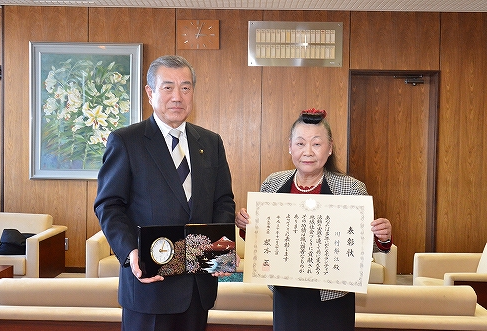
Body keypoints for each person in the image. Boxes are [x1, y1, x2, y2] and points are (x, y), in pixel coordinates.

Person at [94, 55, 235, 331]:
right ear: (150, 92)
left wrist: (222, 246)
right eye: (168, 87)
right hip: (149, 286)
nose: (177, 97)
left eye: (185, 87)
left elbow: (223, 200)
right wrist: (130, 251)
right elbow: (109, 206)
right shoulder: (126, 141)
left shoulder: (211, 142)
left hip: (197, 286)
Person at [235, 108, 392, 331]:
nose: (308, 151)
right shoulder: (272, 184)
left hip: (333, 299)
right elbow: (262, 236)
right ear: (290, 146)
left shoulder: (351, 188)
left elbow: (368, 247)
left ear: (329, 148)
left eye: (316, 144)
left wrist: (382, 236)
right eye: (300, 143)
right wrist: (245, 226)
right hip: (286, 295)